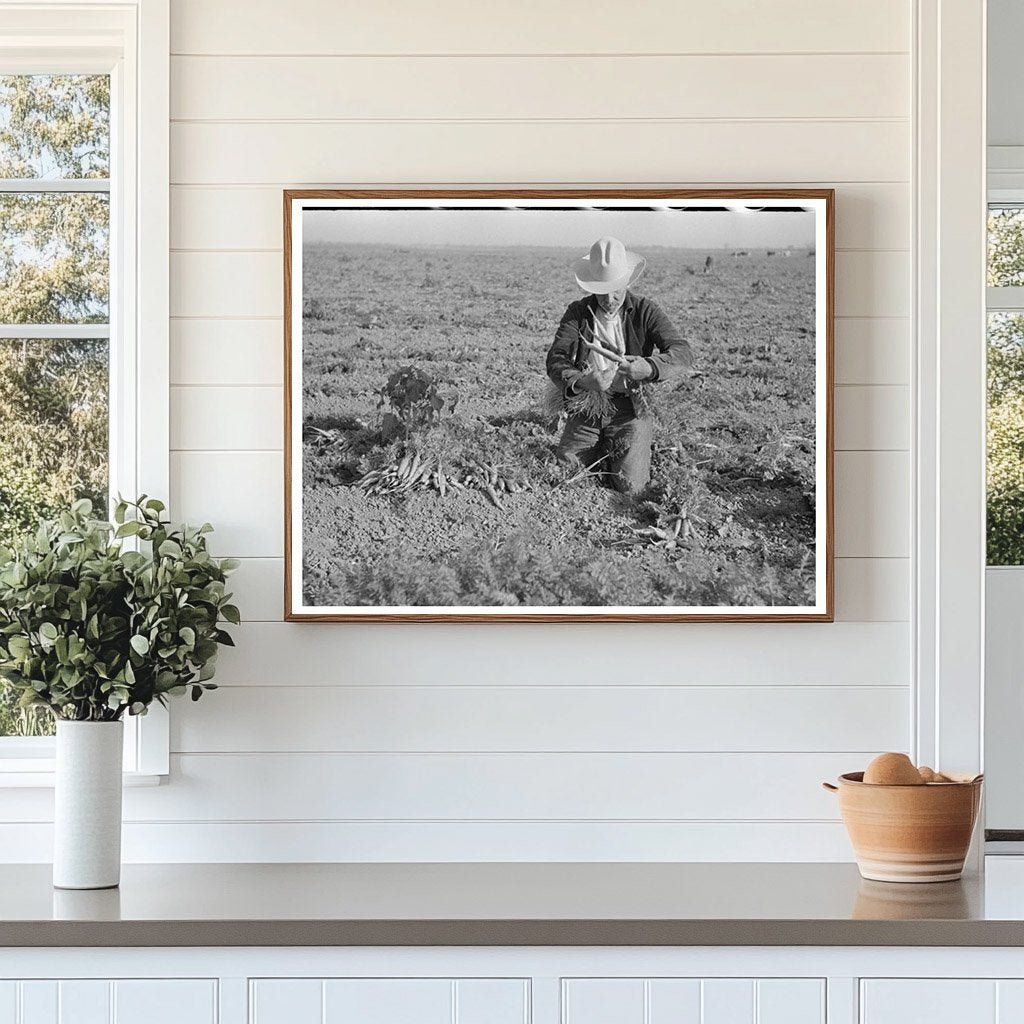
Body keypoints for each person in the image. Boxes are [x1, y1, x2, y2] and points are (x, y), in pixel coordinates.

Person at [546, 236, 692, 494]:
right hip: (588, 407)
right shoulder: (578, 313)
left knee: (631, 488)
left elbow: (682, 352)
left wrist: (649, 367)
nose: (610, 298)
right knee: (564, 475)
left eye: (616, 289)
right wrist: (582, 382)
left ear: (626, 281)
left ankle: (620, 448)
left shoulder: (646, 311)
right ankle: (601, 446)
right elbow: (556, 359)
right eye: (602, 290)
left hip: (630, 408)